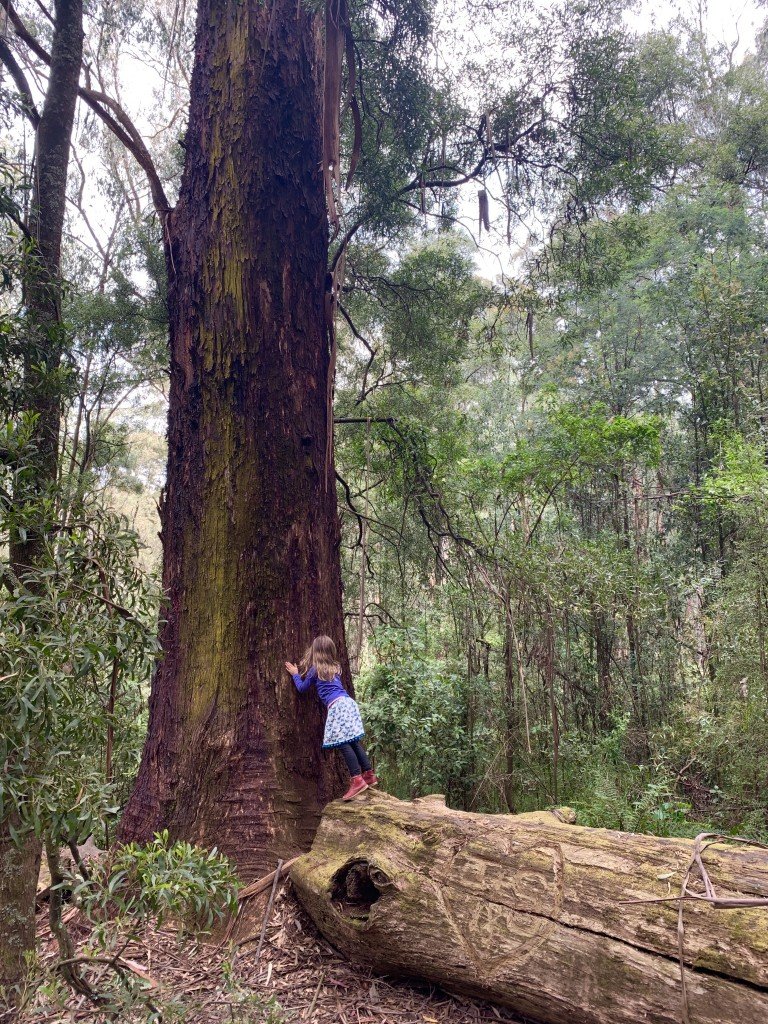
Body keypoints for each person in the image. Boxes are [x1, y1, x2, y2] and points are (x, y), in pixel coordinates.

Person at [285, 634, 378, 801]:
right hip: (349, 703)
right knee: (353, 741)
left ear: (315, 651)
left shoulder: (315, 670)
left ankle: (357, 779)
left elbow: (302, 688)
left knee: (343, 743)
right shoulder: (336, 667)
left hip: (337, 706)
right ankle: (369, 774)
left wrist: (295, 674)